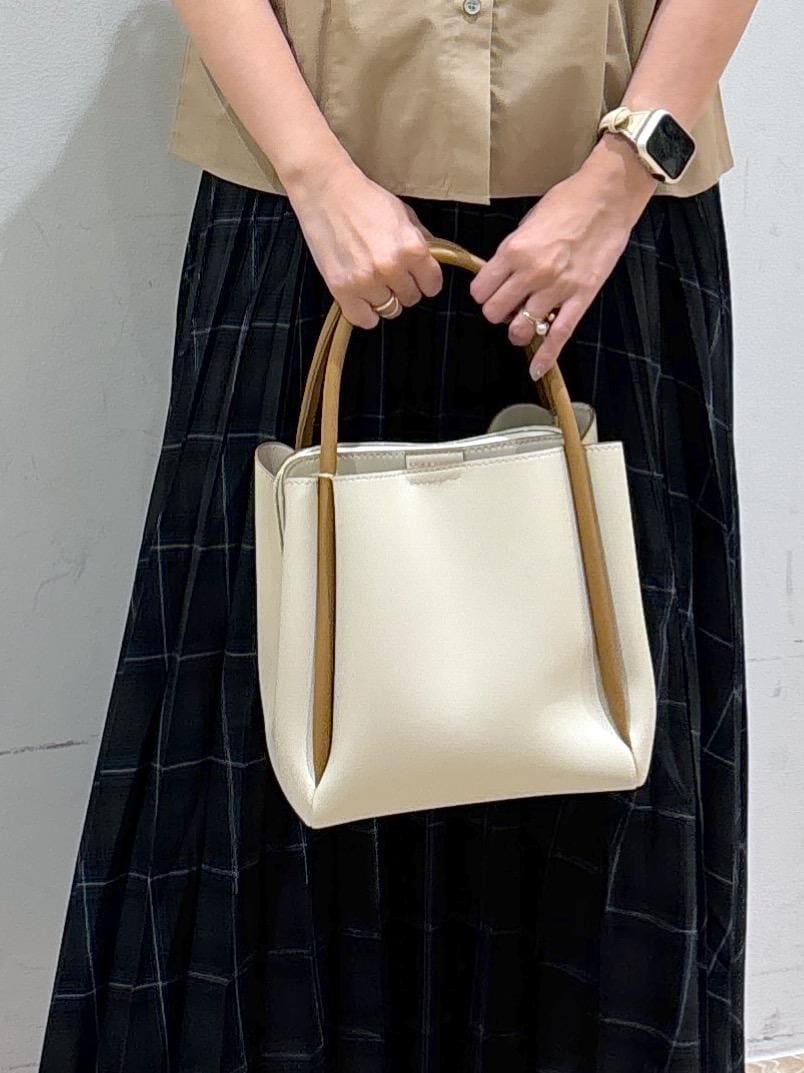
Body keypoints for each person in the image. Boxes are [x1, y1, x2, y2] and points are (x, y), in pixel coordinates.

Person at [38, 0, 756, 1069]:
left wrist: (622, 176)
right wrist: (316, 177)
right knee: (271, 716)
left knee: (599, 726)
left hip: (608, 219)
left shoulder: (616, 199)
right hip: (309, 211)